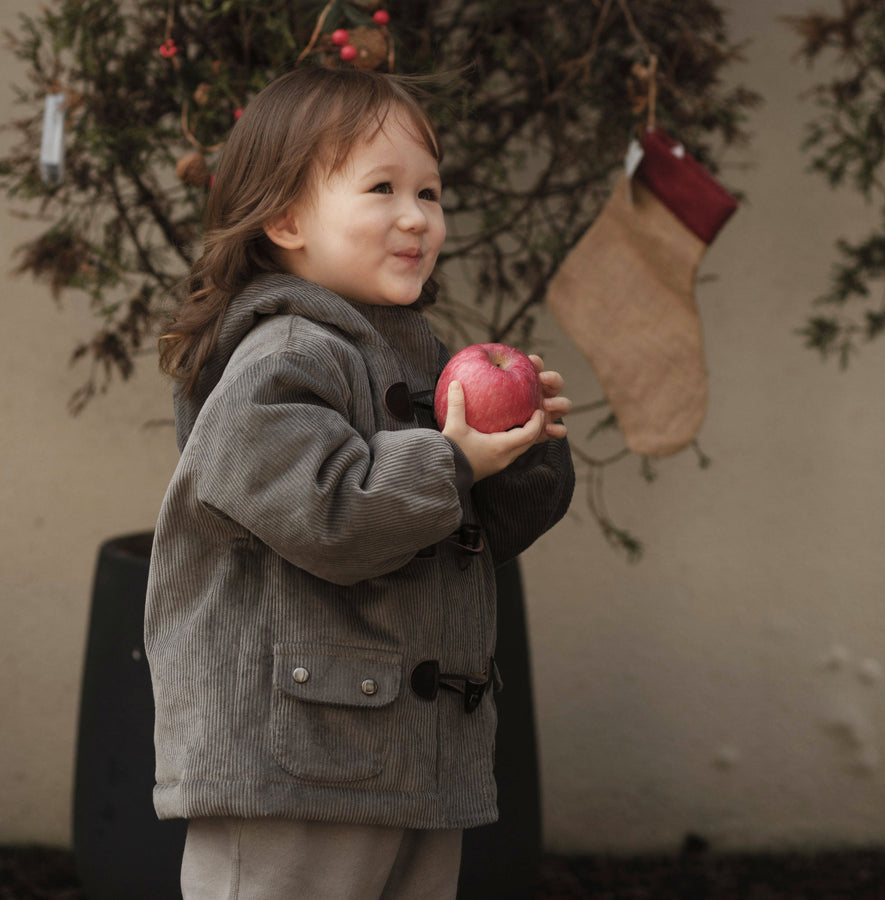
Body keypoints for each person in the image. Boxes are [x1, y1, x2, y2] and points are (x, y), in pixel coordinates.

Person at [146, 64, 575, 900]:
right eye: (383, 188)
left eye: (432, 192)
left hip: (404, 761)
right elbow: (330, 514)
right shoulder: (280, 357)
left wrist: (522, 450)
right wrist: (449, 460)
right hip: (291, 769)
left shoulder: (419, 355)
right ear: (286, 216)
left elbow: (476, 533)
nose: (417, 217)